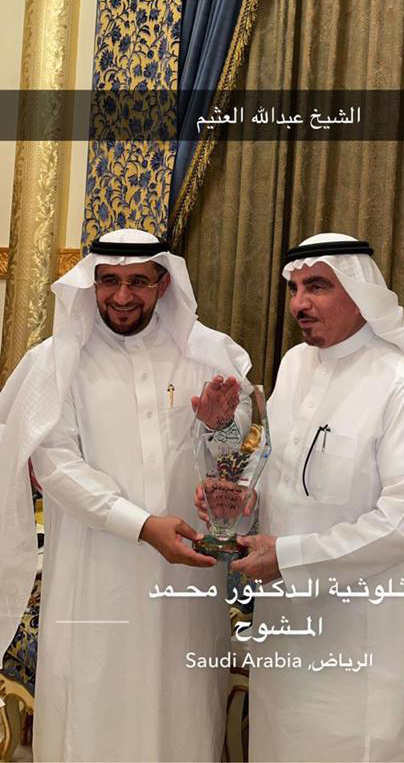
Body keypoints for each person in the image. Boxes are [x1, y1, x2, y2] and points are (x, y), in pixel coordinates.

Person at [0, 228, 251, 763]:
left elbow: (233, 452)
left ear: (164, 284)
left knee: (181, 712)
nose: (121, 295)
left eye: (138, 281)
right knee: (95, 710)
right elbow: (56, 466)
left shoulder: (208, 354)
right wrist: (140, 525)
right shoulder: (55, 362)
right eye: (108, 280)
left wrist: (219, 425)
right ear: (90, 283)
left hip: (185, 581)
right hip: (95, 577)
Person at [230, 232, 404, 763]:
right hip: (285, 623)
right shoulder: (294, 365)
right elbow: (280, 474)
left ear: (361, 293)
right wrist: (241, 502)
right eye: (294, 288)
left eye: (317, 286)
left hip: (363, 635)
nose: (299, 303)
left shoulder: (403, 384)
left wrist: (290, 557)